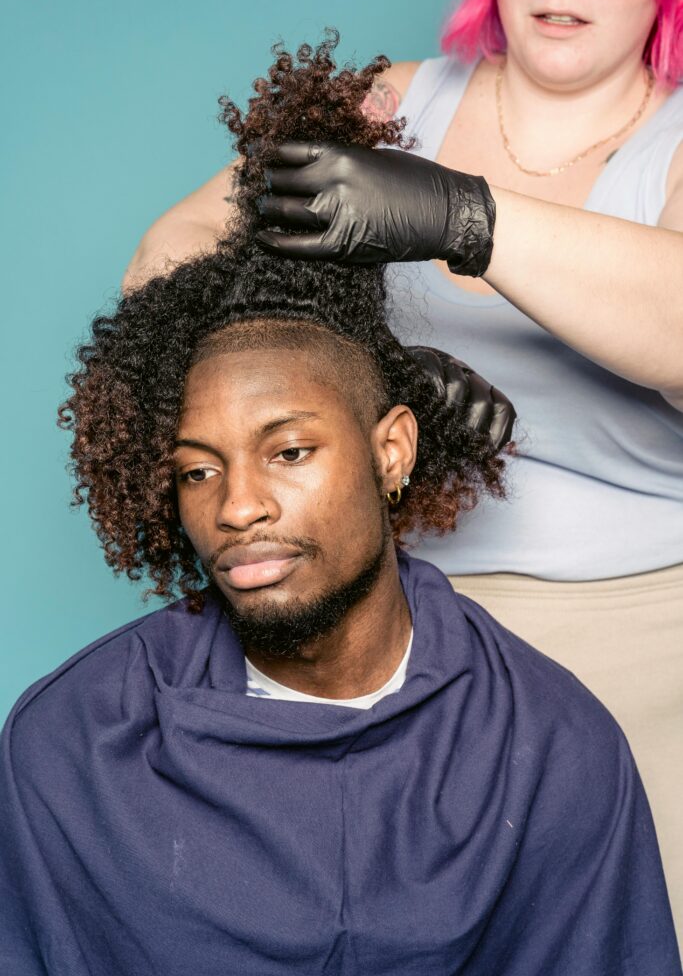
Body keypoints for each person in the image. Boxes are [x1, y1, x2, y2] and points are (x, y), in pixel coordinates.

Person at [1, 47, 679, 972]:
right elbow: (164, 265)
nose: (238, 506)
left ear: (391, 448)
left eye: (288, 452)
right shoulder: (72, 746)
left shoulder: (557, 749)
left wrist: (459, 217)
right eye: (197, 471)